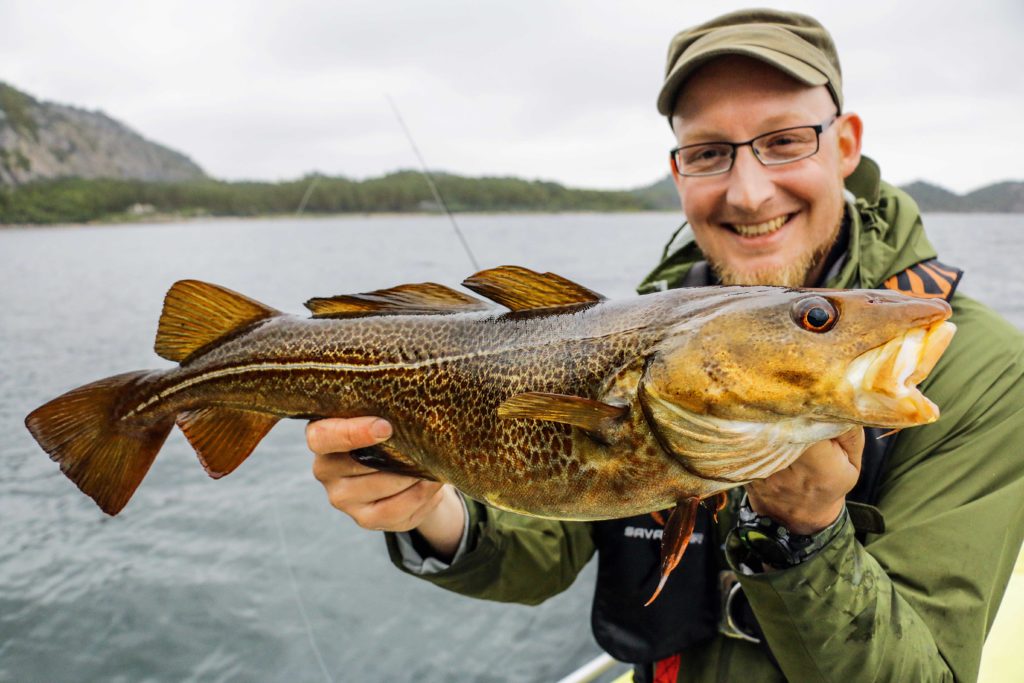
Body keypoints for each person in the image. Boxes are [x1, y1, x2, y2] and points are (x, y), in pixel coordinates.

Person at [306, 10, 1024, 682]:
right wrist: (426, 506)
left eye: (784, 141)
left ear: (844, 145)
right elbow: (548, 531)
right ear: (678, 172)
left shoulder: (982, 368)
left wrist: (804, 532)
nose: (747, 192)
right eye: (709, 152)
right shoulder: (643, 324)